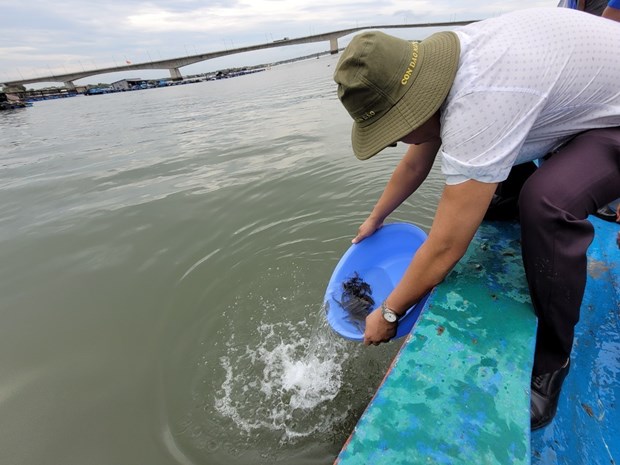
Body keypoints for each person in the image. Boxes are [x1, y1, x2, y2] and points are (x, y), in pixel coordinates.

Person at [332, 7, 620, 430]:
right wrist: (375, 218)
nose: (394, 142)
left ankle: (553, 361)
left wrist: (390, 312)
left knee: (545, 203)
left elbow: (448, 244)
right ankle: (512, 194)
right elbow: (416, 163)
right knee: (485, 178)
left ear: (414, 108)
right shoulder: (444, 68)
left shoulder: (480, 99)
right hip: (582, 102)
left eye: (394, 130)